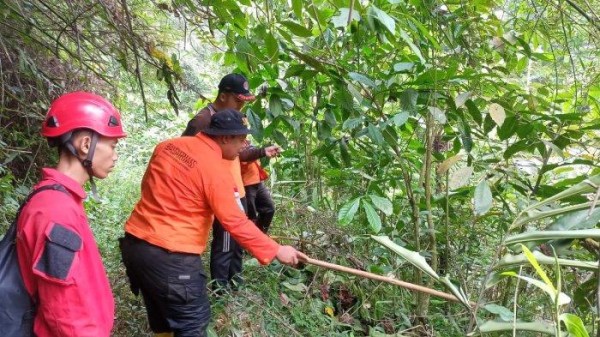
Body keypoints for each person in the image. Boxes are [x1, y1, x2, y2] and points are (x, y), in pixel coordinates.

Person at [120, 109, 307, 337]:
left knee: (162, 319)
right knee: (193, 324)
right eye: (241, 139)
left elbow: (147, 186)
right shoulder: (215, 169)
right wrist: (276, 249)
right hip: (173, 257)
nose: (243, 146)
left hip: (135, 247)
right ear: (225, 137)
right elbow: (234, 221)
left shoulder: (167, 146)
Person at [16, 91, 126, 336]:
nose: (115, 155)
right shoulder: (56, 210)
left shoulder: (61, 200)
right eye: (113, 145)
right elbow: (64, 309)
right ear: (86, 144)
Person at [182, 73, 280, 290]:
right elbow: (184, 155)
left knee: (235, 242)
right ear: (224, 96)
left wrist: (262, 151)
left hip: (238, 188)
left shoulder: (233, 117)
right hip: (220, 190)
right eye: (238, 101)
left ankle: (235, 283)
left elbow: (237, 153)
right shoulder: (202, 120)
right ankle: (220, 289)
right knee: (225, 242)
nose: (240, 107)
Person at [240, 145, 277, 233]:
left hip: (257, 181)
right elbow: (243, 156)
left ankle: (260, 235)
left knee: (269, 209)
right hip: (246, 184)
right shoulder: (234, 141)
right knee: (250, 217)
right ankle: (249, 241)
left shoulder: (244, 141)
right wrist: (262, 152)